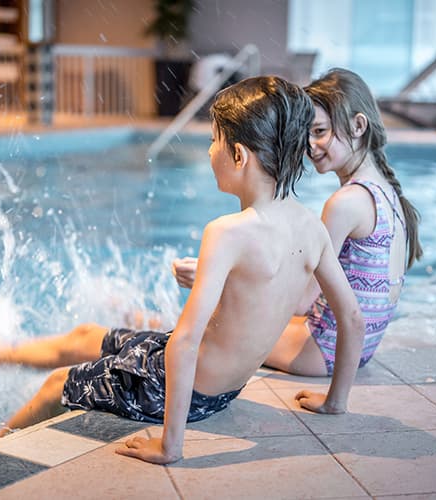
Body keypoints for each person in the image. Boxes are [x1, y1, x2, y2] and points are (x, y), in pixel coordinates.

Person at [0, 75, 364, 465]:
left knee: (56, 385)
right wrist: (335, 402)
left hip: (192, 390)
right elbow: (352, 316)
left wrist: (169, 446)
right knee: (87, 336)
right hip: (223, 387)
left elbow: (188, 340)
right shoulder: (310, 225)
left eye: (213, 142)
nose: (209, 152)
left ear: (238, 154)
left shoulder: (227, 232)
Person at [172, 68, 422, 407]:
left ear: (359, 126)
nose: (311, 145)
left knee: (202, 333)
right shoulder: (385, 191)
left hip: (321, 349)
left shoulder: (346, 203)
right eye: (307, 134)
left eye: (320, 131)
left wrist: (216, 276)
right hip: (360, 345)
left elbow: (301, 300)